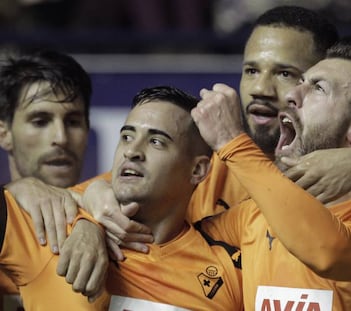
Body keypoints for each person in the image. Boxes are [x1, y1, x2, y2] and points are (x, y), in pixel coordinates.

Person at [190, 37, 351, 310]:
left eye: (318, 88)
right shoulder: (254, 214)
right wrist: (123, 219)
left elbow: (330, 252)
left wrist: (233, 144)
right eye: (301, 82)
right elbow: (170, 241)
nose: (290, 95)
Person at [1, 86, 243, 310]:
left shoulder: (228, 271)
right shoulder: (52, 230)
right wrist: (18, 187)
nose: (132, 151)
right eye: (126, 137)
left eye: (156, 142)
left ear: (197, 170)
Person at [0, 48, 92, 310]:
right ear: (4, 133)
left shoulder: (118, 219)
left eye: (73, 121)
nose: (61, 138)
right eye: (40, 121)